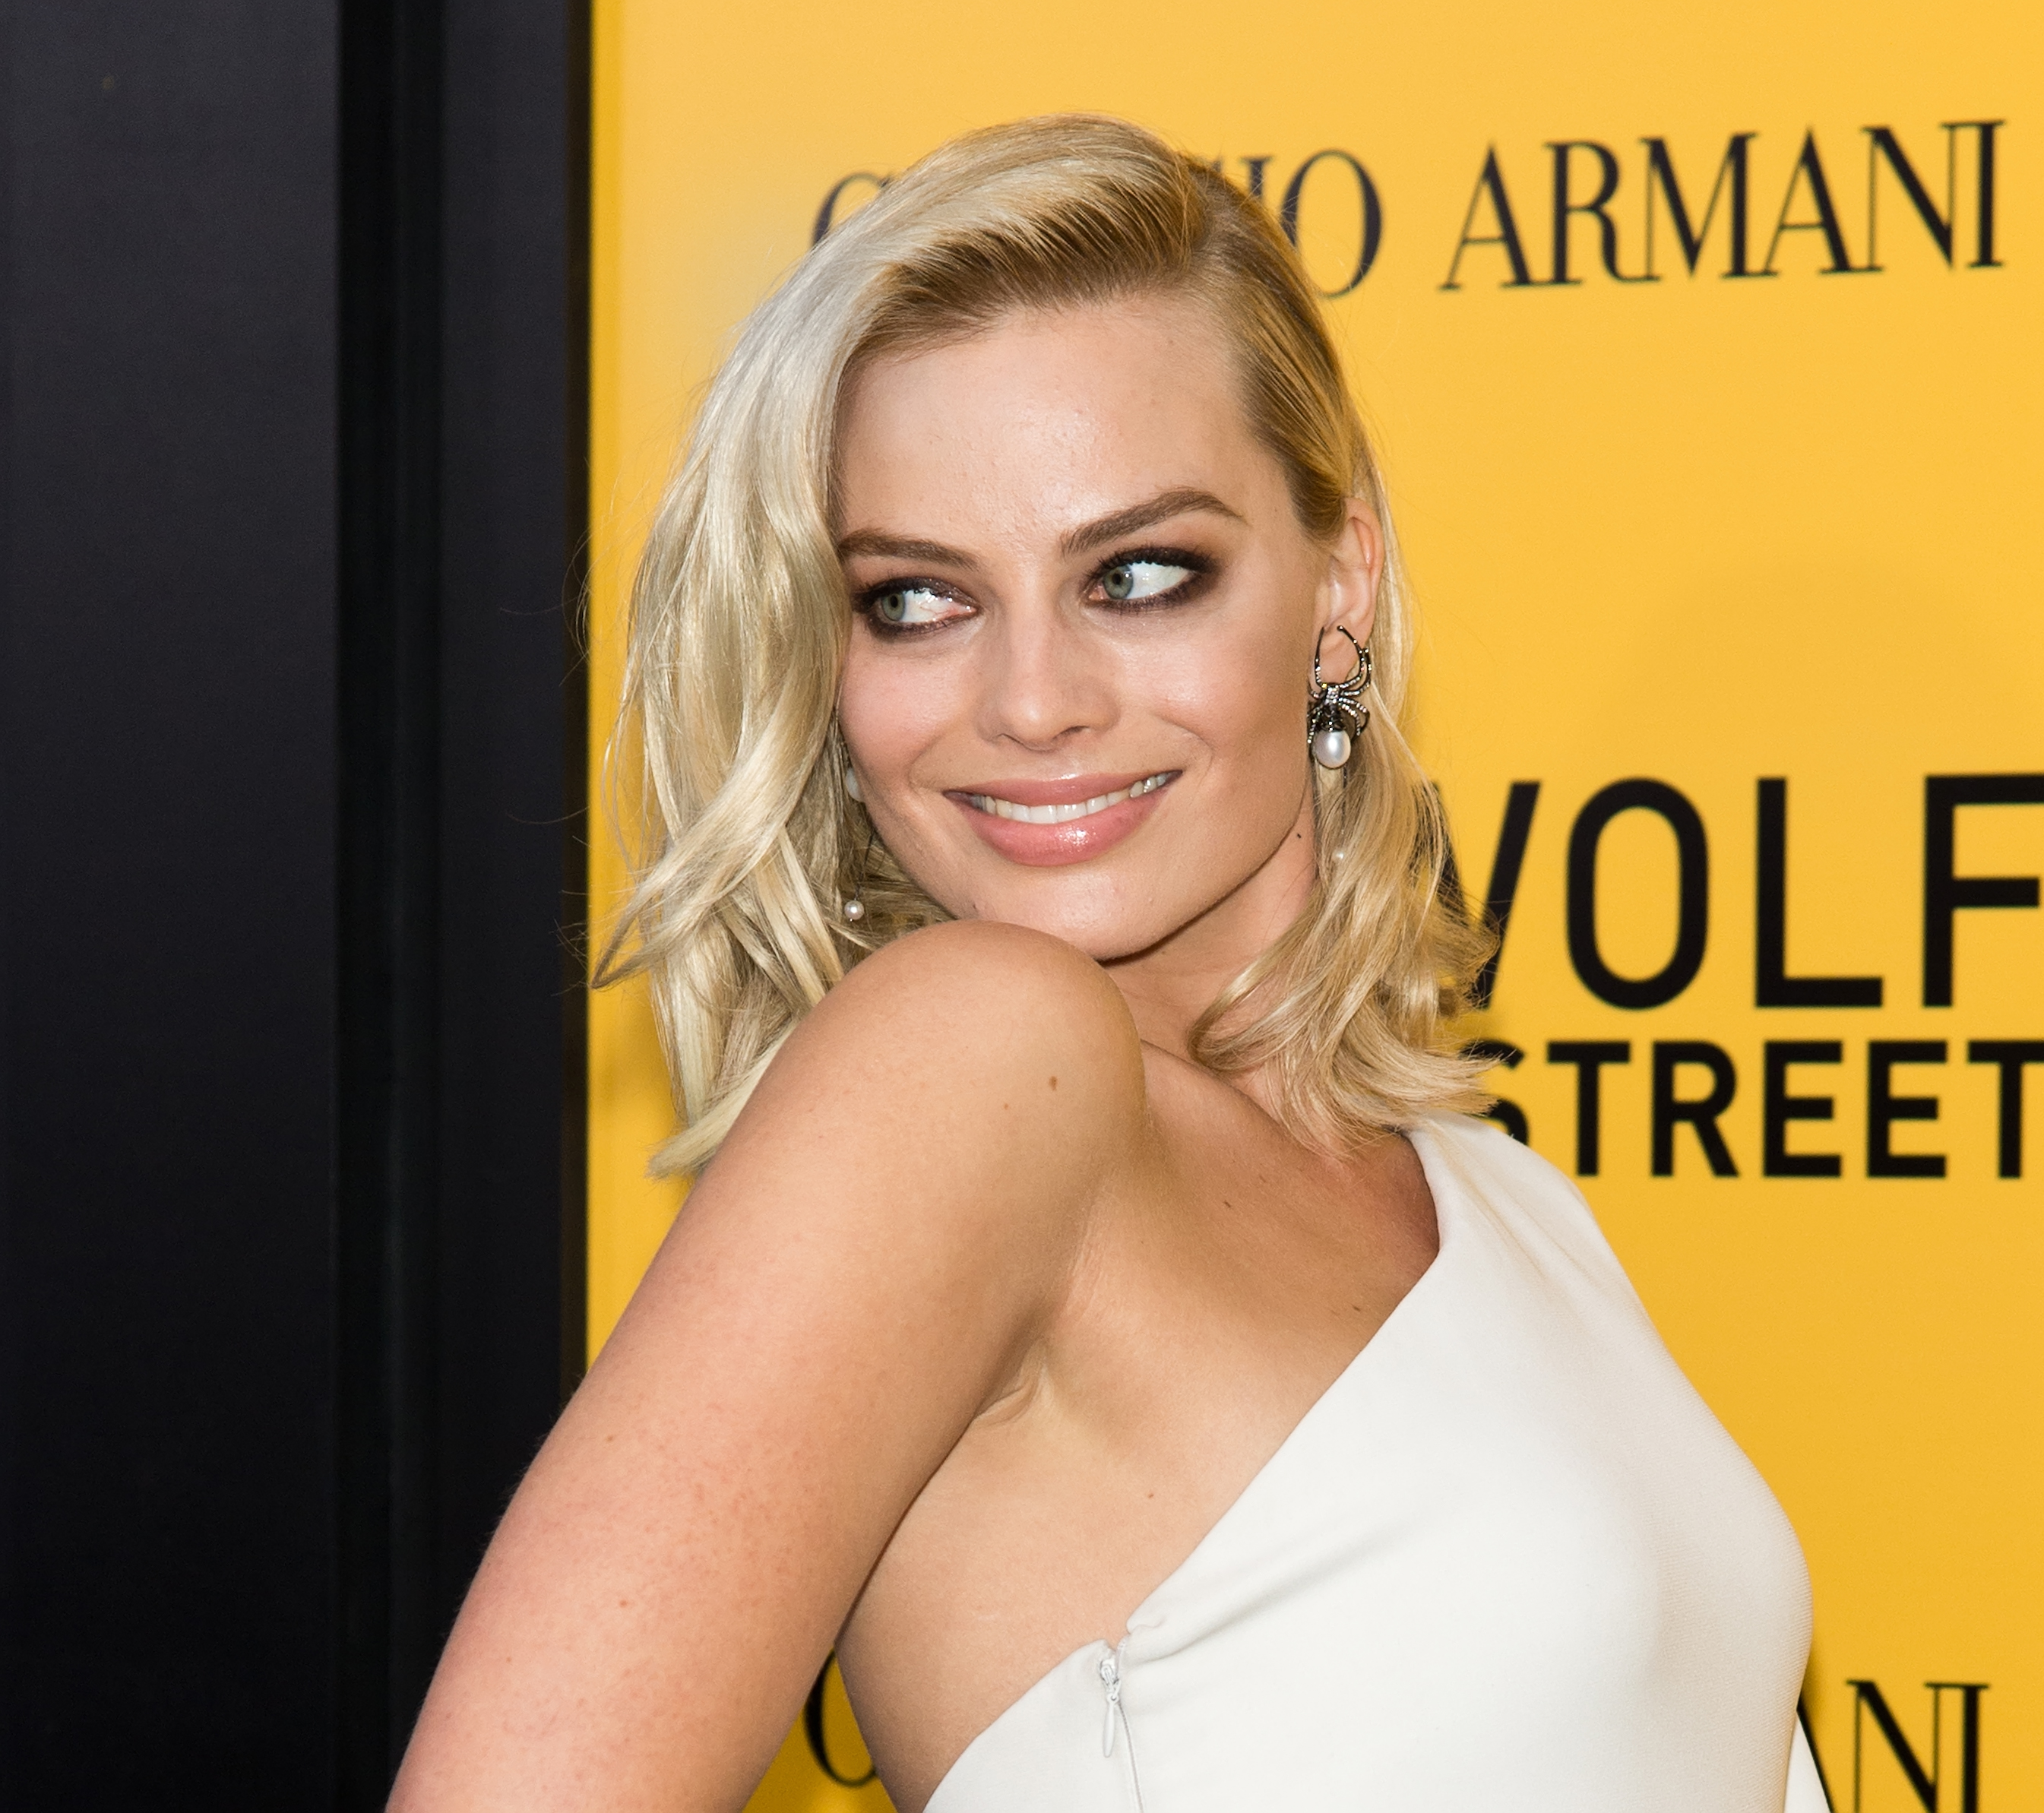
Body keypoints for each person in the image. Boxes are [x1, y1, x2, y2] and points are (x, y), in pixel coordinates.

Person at [391, 115, 1828, 1813]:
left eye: (1139, 574)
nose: (1033, 701)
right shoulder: (971, 1060)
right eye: (917, 599)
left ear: (1341, 582)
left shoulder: (1502, 1195)